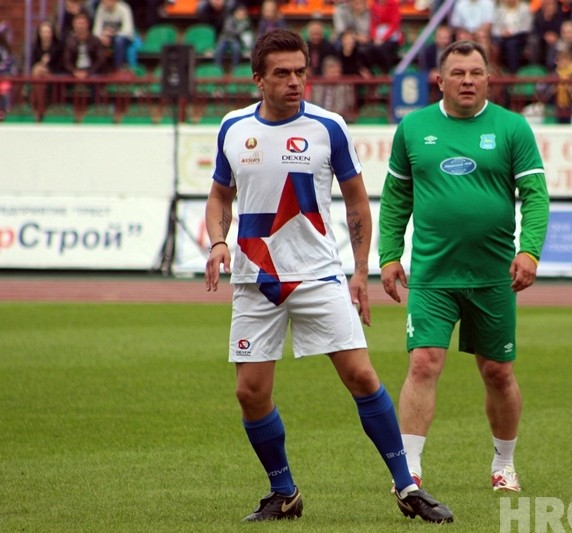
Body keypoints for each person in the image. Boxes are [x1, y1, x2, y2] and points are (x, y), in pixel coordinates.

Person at [203, 28, 453, 524]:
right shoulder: (233, 128)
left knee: (361, 376)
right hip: (256, 280)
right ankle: (284, 493)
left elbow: (358, 201)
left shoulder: (328, 127)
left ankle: (407, 487)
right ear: (258, 79)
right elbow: (219, 196)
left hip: (318, 275)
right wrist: (217, 241)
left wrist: (359, 271)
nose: (295, 81)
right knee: (250, 393)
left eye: (300, 71)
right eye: (282, 73)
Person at [378, 39, 550, 494]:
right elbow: (396, 199)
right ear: (440, 79)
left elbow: (536, 198)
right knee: (423, 363)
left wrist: (530, 250)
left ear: (489, 78)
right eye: (458, 73)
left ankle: (504, 463)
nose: (468, 80)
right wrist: (390, 255)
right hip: (433, 274)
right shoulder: (413, 128)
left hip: (494, 274)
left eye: (476, 72)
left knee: (498, 372)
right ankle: (408, 471)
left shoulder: (512, 128)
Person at [30, 19, 65, 121]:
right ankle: (40, 108)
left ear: (52, 33)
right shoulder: (36, 47)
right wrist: (42, 65)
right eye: (43, 32)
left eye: (48, 32)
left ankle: (37, 108)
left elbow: (60, 66)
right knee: (38, 72)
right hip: (40, 75)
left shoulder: (58, 46)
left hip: (55, 73)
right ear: (39, 33)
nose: (45, 34)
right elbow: (33, 64)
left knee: (38, 72)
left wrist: (46, 68)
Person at [92, 0, 135, 71]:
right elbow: (96, 30)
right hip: (106, 38)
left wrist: (112, 35)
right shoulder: (101, 8)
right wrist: (102, 37)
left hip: (124, 38)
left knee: (119, 40)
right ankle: (98, 70)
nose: (105, 3)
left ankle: (118, 68)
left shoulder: (124, 8)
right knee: (95, 40)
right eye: (103, 2)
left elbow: (128, 30)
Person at [214, 3, 254, 70]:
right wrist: (239, 30)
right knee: (219, 48)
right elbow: (228, 30)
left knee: (236, 48)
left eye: (243, 13)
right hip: (225, 38)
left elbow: (248, 31)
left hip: (235, 40)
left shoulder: (246, 21)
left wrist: (243, 24)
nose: (241, 15)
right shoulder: (229, 19)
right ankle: (217, 67)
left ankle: (235, 67)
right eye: (240, 13)